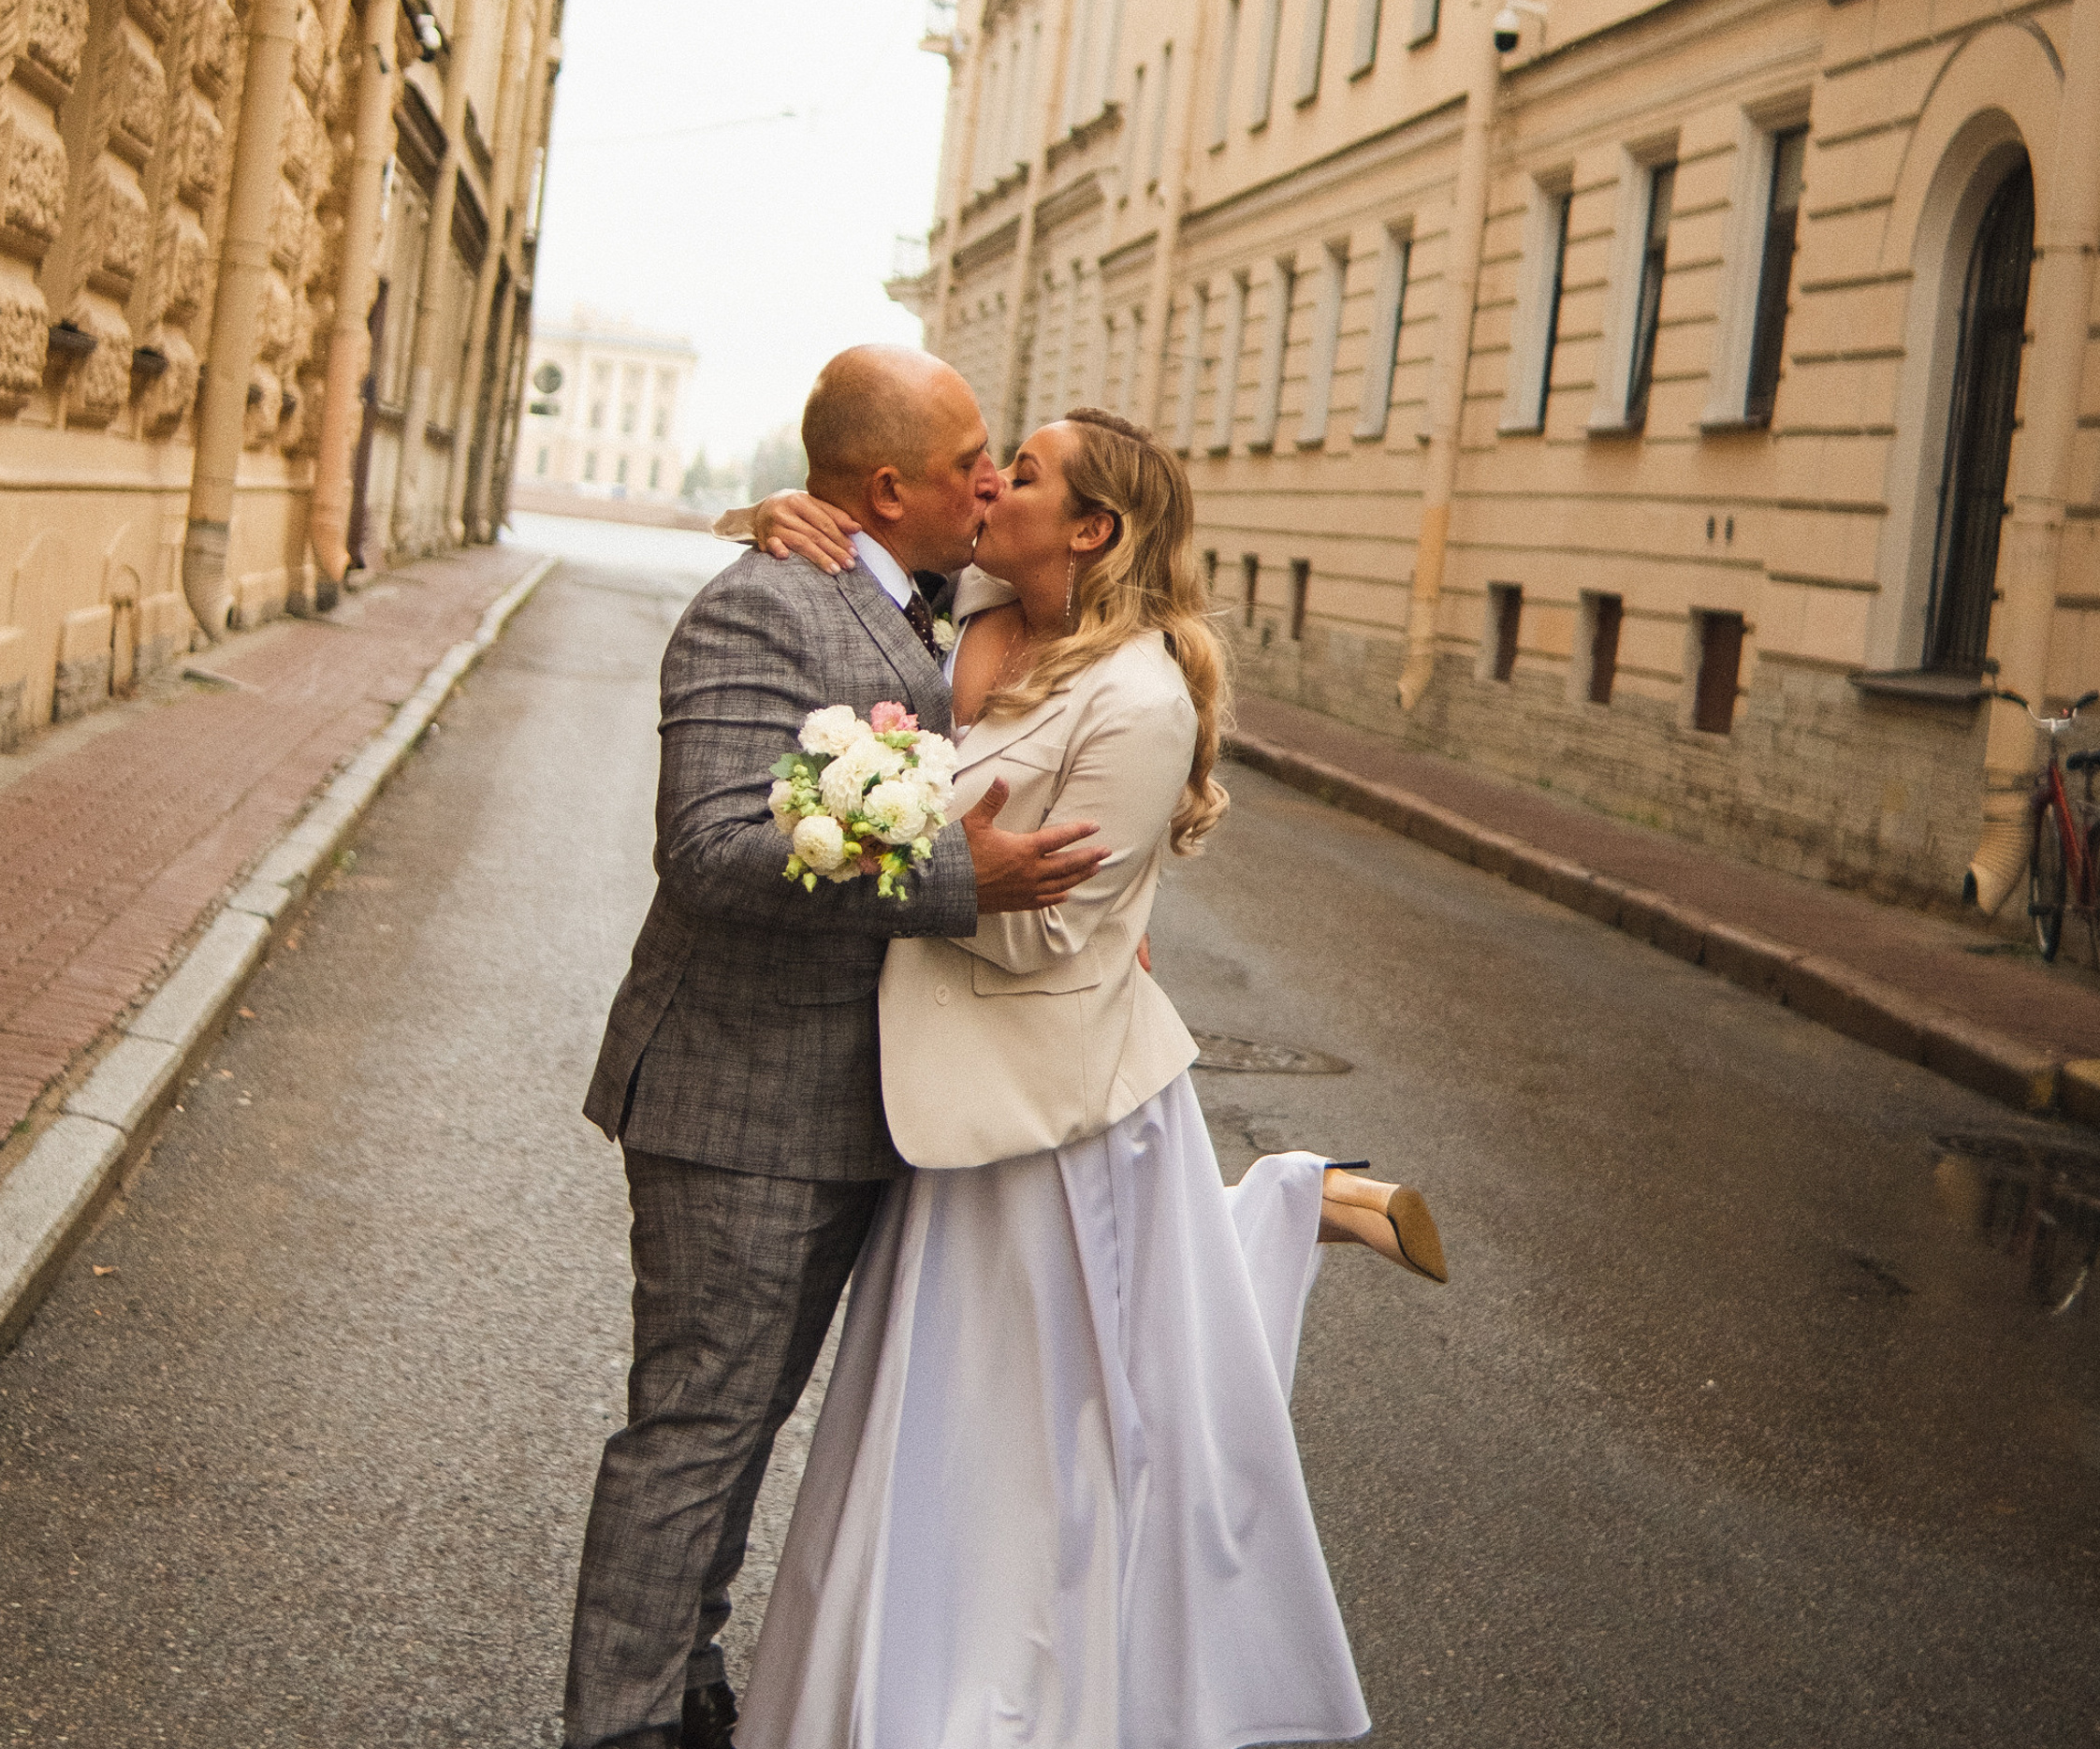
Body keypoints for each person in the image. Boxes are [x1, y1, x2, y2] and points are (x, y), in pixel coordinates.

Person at [732, 408, 1444, 1749]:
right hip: (947, 1099)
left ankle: (1004, 1711)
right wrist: (775, 512)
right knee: (936, 1425)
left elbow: (1048, 933)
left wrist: (879, 847)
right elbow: (863, 558)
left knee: (1056, 1442)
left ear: (1091, 529)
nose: (990, 484)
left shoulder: (1140, 698)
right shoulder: (972, 619)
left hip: (1052, 1113)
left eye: (1025, 474)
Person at [566, 346, 1113, 1749]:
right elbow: (712, 847)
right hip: (736, 1099)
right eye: (969, 462)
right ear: (885, 489)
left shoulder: (926, 599)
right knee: (696, 1429)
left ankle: (687, 1676)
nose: (990, 483)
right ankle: (620, 1725)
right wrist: (956, 878)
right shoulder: (763, 603)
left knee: (742, 1423)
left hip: (850, 1105)